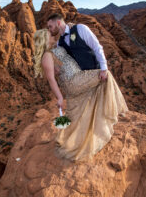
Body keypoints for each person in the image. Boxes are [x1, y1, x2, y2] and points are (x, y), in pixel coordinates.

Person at [33, 28, 128, 161]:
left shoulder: (55, 49)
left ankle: (71, 143)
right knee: (104, 74)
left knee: (75, 115)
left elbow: (62, 62)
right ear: (44, 40)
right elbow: (51, 80)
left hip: (77, 78)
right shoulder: (46, 56)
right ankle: (114, 110)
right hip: (73, 82)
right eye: (49, 35)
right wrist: (60, 98)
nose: (52, 36)